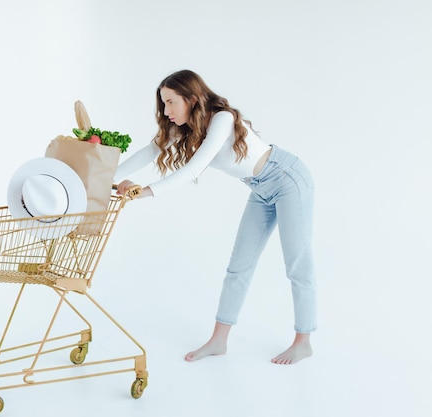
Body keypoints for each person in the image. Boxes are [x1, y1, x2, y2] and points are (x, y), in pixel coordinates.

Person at [115, 69, 316, 365]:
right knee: (239, 266)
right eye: (164, 104)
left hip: (288, 179)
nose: (167, 111)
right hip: (259, 188)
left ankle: (303, 342)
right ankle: (219, 340)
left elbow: (194, 169)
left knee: (297, 263)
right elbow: (149, 152)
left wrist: (144, 192)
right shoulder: (184, 127)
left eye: (171, 102)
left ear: (193, 99)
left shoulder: (222, 119)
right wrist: (104, 176)